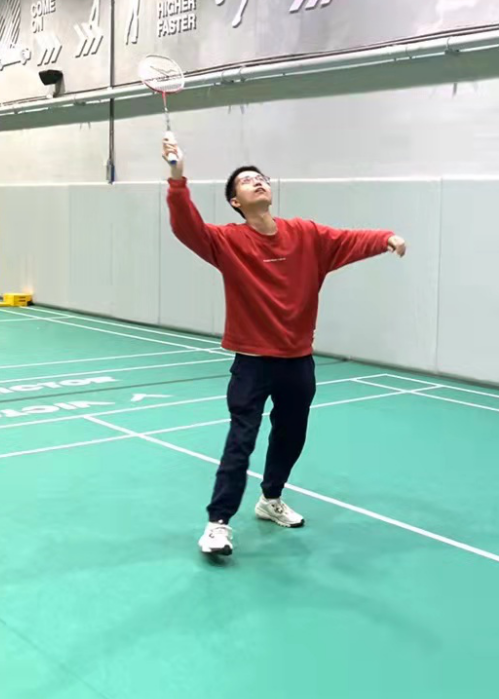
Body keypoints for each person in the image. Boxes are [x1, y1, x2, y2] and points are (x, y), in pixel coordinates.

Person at [162, 138, 406, 556]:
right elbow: (187, 227)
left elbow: (347, 240)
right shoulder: (226, 241)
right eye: (246, 181)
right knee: (241, 440)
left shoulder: (305, 234)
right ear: (235, 202)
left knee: (291, 436)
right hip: (253, 362)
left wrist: (386, 238)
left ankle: (270, 498)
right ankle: (218, 524)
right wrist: (177, 177)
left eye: (261, 178)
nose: (257, 182)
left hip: (298, 361)